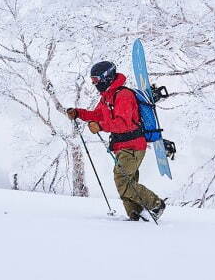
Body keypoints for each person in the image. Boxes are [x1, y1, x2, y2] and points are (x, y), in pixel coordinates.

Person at [66, 60, 166, 222]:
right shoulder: (107, 97)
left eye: (96, 80)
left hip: (133, 146)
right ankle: (137, 214)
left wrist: (100, 126)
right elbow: (97, 115)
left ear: (107, 77)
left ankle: (155, 204)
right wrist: (78, 113)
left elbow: (124, 123)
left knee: (122, 180)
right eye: (92, 81)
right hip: (121, 146)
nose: (94, 84)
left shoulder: (123, 95)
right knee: (127, 181)